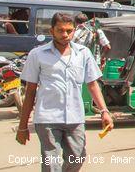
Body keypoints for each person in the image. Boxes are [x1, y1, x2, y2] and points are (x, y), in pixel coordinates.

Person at [16, 12, 114, 172]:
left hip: (75, 118)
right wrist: (22, 126)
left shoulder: (83, 53)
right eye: (60, 30)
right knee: (51, 164)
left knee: (77, 158)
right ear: (51, 31)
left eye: (69, 30)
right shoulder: (37, 55)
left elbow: (92, 84)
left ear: (75, 30)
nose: (65, 34)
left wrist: (104, 111)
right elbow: (30, 91)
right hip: (47, 118)